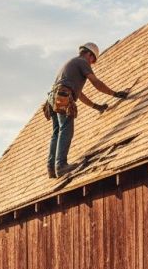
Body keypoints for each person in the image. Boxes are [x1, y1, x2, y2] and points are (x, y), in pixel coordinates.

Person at [44, 42, 128, 178]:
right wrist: (115, 93)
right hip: (63, 96)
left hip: (53, 98)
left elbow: (79, 95)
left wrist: (96, 106)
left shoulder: (71, 64)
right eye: (93, 60)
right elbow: (96, 83)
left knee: (57, 132)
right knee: (66, 129)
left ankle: (51, 168)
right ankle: (61, 166)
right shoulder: (82, 62)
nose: (92, 63)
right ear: (89, 54)